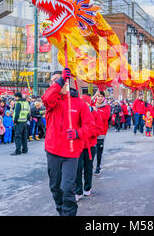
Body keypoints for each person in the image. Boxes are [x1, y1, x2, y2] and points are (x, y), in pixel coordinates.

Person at [42, 69, 94, 216]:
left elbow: (90, 127)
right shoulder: (52, 101)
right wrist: (60, 81)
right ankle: (61, 212)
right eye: (52, 81)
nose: (54, 83)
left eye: (58, 80)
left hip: (71, 153)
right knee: (55, 188)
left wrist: (78, 133)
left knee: (67, 188)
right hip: (53, 151)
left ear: (68, 82)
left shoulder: (80, 104)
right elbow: (46, 98)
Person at [75, 95, 103, 202]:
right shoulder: (77, 114)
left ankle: (87, 187)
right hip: (79, 145)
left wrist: (89, 133)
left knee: (88, 167)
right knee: (78, 168)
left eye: (85, 103)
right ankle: (78, 191)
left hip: (90, 145)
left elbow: (99, 129)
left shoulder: (95, 114)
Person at [92, 91, 110, 175]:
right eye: (98, 96)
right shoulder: (92, 104)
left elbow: (105, 117)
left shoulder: (106, 107)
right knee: (91, 150)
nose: (99, 98)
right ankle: (89, 166)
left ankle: (98, 166)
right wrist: (94, 95)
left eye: (101, 96)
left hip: (101, 132)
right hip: (91, 132)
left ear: (104, 98)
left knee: (99, 150)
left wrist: (96, 111)